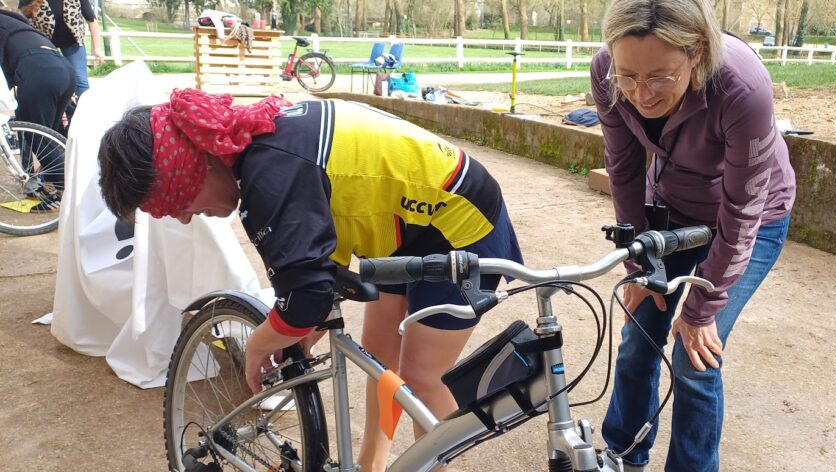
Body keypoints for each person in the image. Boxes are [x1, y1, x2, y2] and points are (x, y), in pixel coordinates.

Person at [96, 89, 522, 472]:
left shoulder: (270, 175)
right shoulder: (258, 139)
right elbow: (314, 261)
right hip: (402, 220)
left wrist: (259, 345)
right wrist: (303, 321)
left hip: (459, 223)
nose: (185, 217)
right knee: (378, 356)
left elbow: (305, 298)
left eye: (177, 203)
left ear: (198, 165)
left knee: (422, 377)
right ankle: (371, 465)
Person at [591, 1, 796, 471]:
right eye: (628, 77)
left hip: (752, 216)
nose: (641, 95)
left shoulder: (742, 88)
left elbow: (741, 212)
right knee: (639, 332)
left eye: (660, 77)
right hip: (673, 208)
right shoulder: (606, 72)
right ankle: (623, 454)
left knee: (694, 354)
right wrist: (640, 265)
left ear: (697, 53)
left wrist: (702, 309)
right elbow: (623, 170)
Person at [0, 8, 74, 211]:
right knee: (47, 137)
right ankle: (52, 186)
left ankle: (70, 191)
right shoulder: (11, 21)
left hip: (38, 70)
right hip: (63, 67)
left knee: (37, 139)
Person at [19, 0, 103, 97]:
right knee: (47, 79)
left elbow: (91, 20)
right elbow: (20, 20)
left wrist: (97, 48)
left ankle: (83, 105)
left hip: (73, 42)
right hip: (43, 44)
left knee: (80, 79)